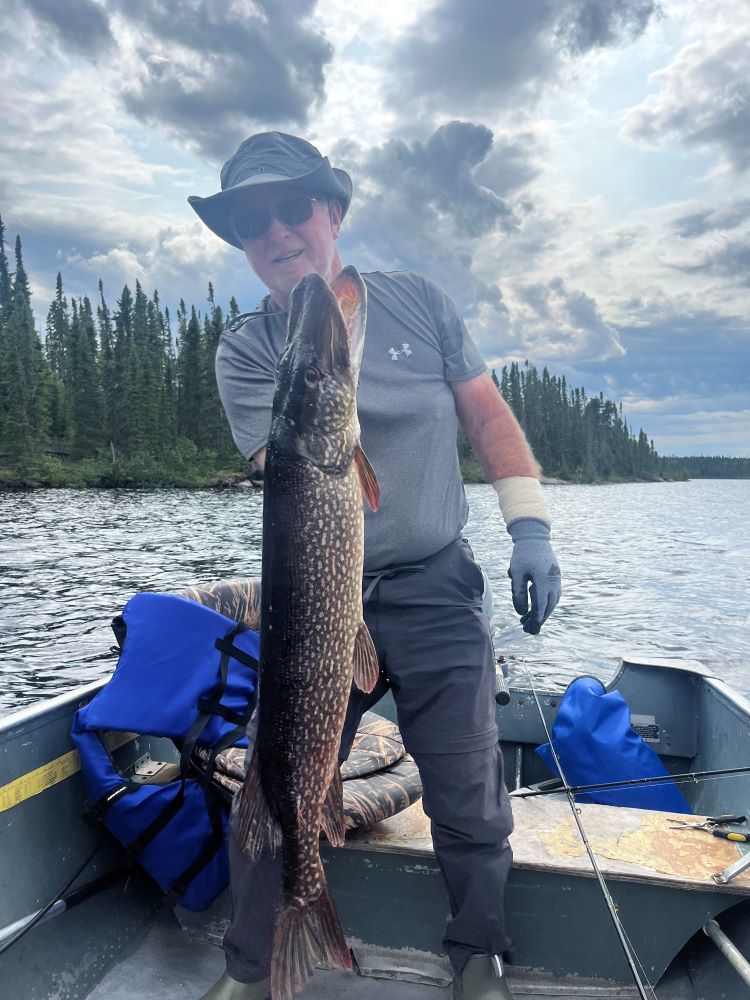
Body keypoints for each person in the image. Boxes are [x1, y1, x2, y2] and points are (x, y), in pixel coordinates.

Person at [188, 132, 562, 1000]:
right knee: (275, 778)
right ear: (244, 241)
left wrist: (529, 524)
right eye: (254, 221)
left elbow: (489, 418)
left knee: (469, 788)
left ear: (334, 212)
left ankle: (477, 956)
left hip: (433, 584)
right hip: (316, 601)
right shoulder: (247, 351)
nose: (277, 231)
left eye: (295, 207)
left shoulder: (421, 304)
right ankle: (255, 968)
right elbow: (294, 466)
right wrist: (322, 378)